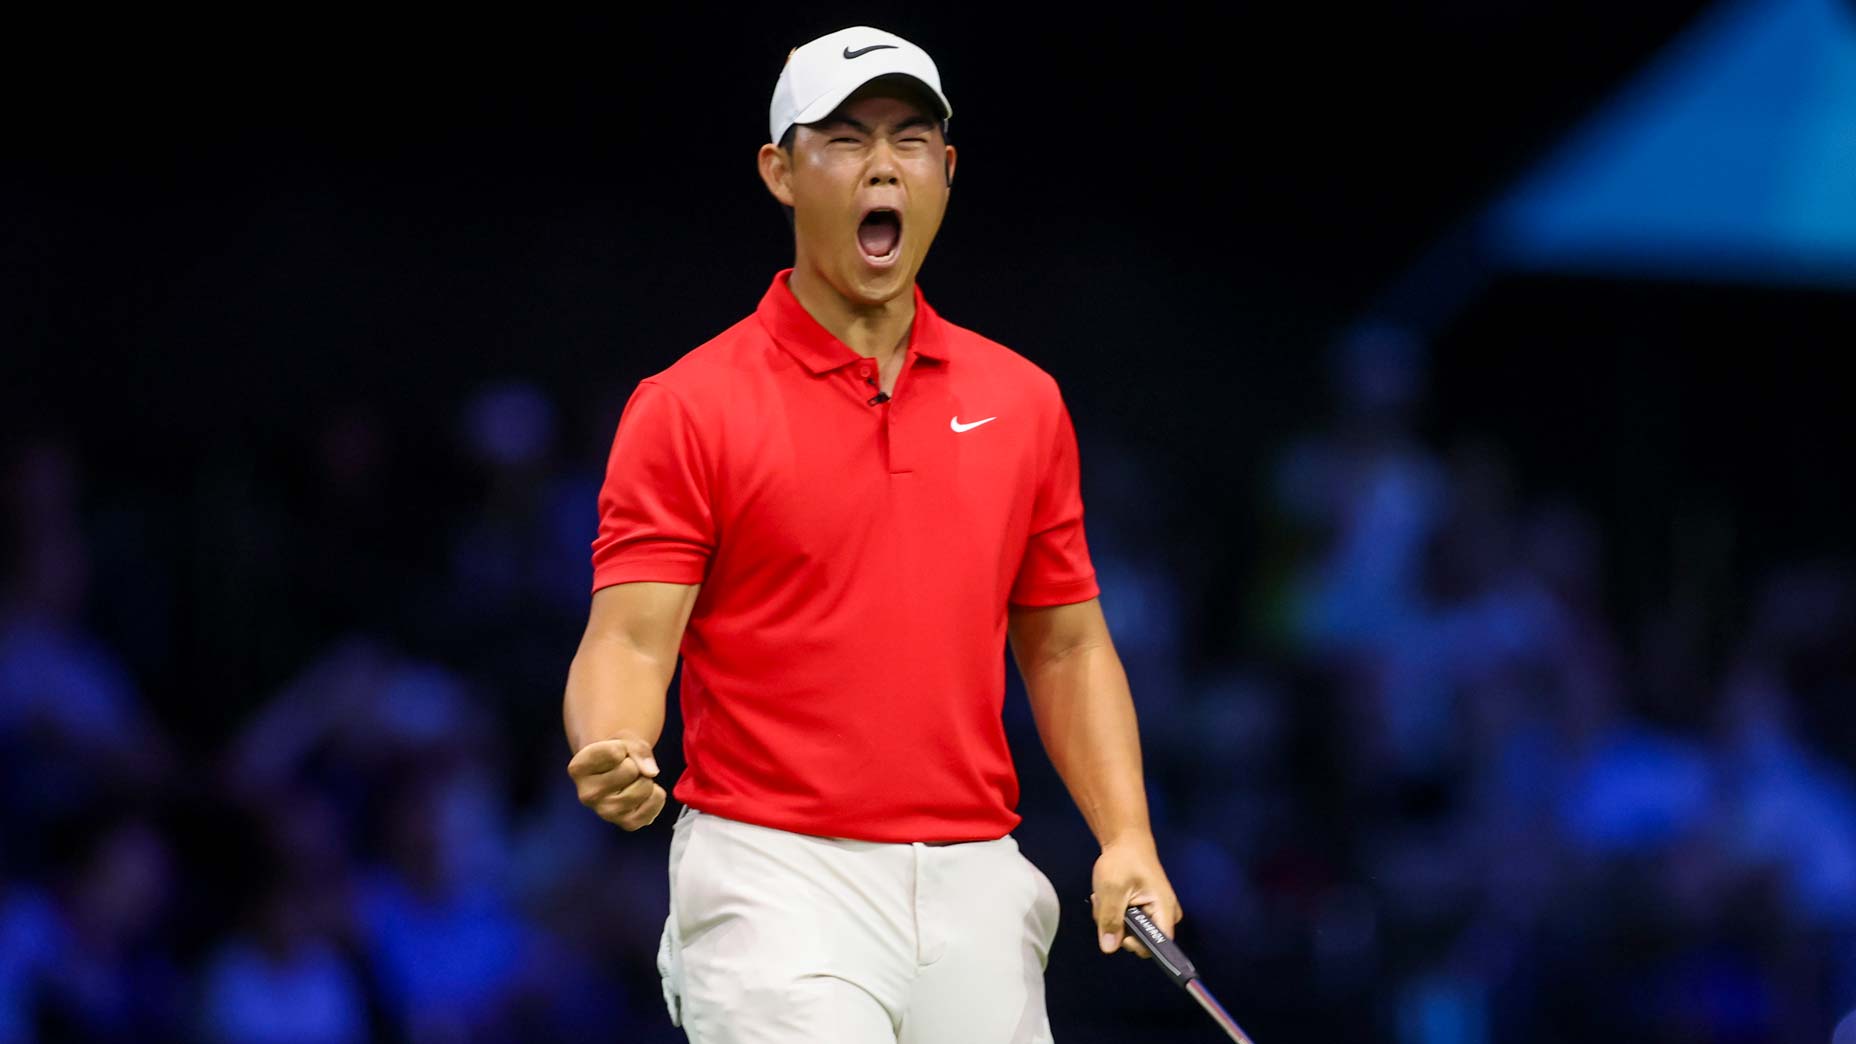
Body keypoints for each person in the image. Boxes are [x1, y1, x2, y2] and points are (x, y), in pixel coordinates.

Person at [562, 25, 1180, 1042]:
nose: (881, 163)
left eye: (908, 137)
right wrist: (615, 740)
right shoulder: (688, 404)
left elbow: (1065, 644)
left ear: (944, 168)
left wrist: (1126, 838)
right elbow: (629, 639)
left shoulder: (1021, 402)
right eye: (844, 139)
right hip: (772, 877)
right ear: (779, 171)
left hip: (976, 878)